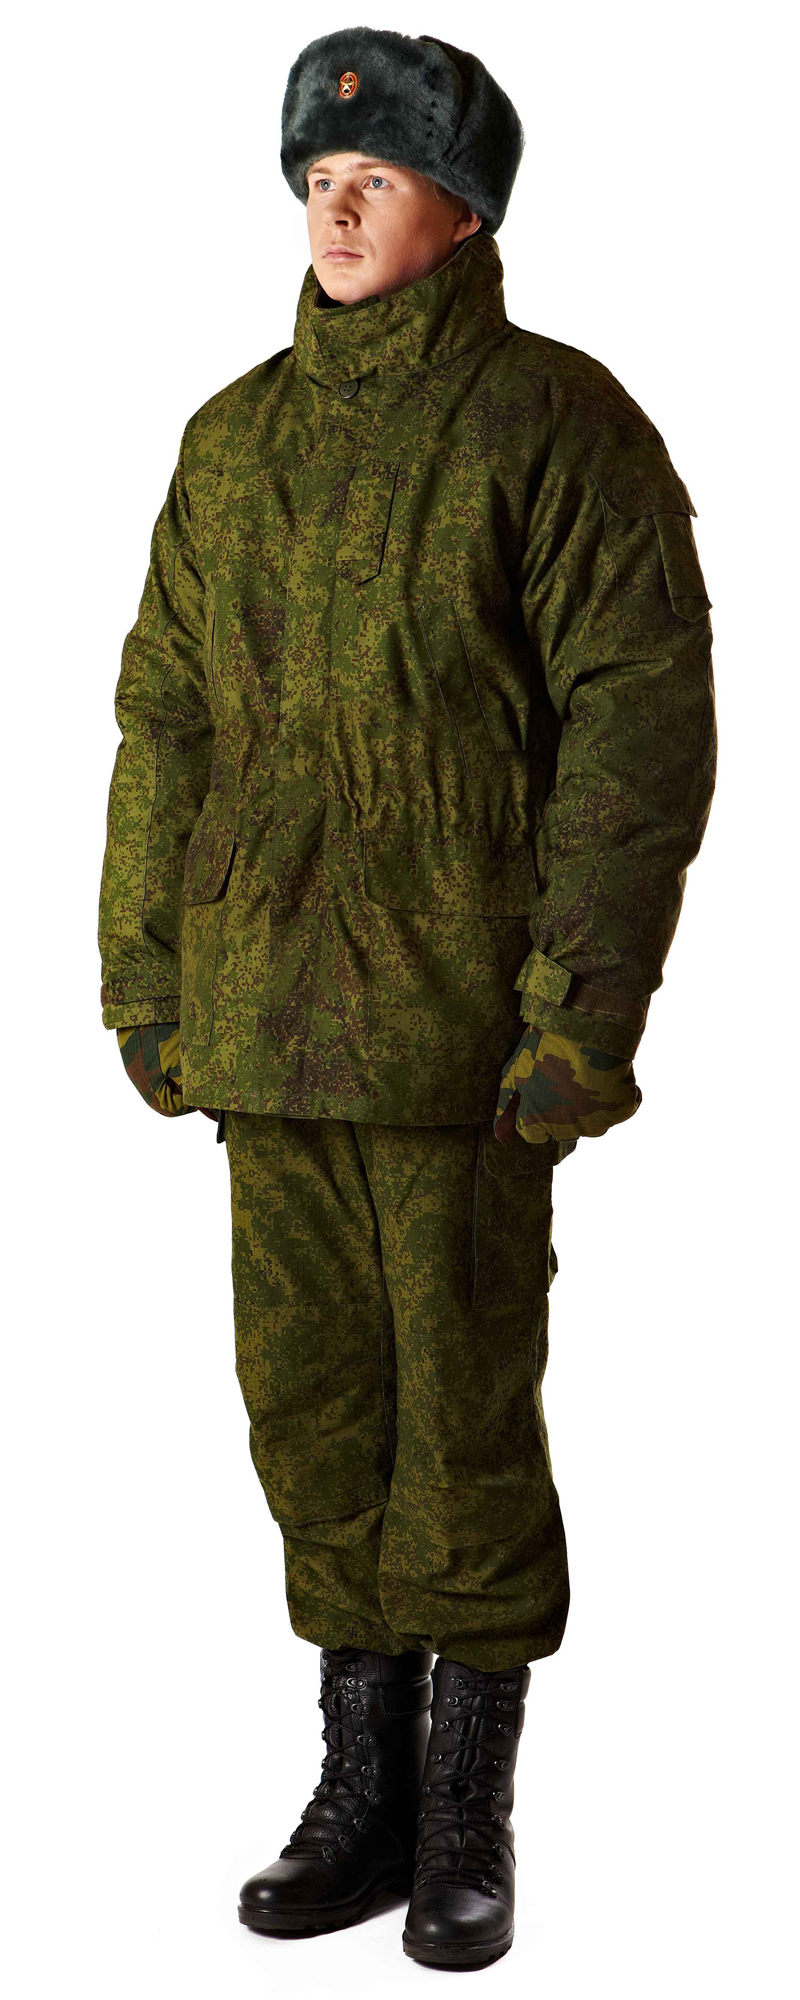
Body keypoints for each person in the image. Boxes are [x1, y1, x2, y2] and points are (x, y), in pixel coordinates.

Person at [97, 26, 717, 1973]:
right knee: (310, 1411)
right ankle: (357, 1783)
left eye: (376, 179)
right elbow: (164, 719)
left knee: (463, 1415)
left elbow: (636, 733)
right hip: (264, 1026)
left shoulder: (556, 426)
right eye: (314, 180)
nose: (336, 209)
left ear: (467, 206)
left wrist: (578, 1013)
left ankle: (465, 1804)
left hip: (464, 1038)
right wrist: (144, 975)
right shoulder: (232, 443)